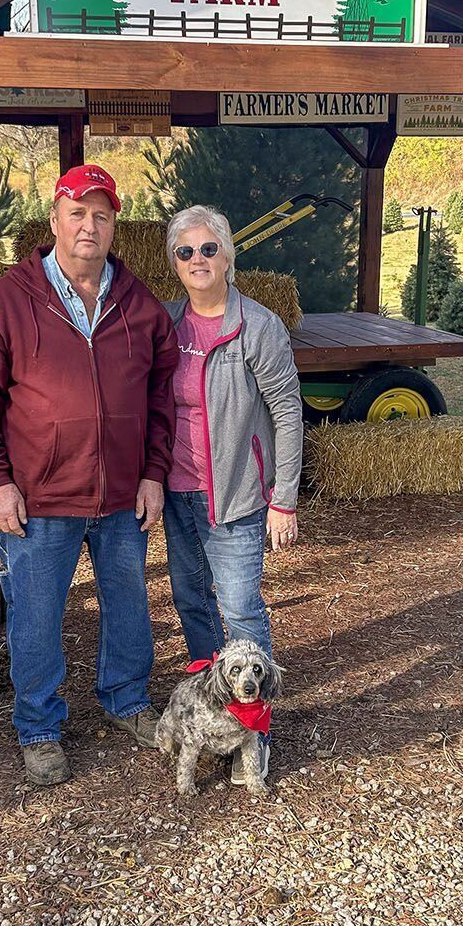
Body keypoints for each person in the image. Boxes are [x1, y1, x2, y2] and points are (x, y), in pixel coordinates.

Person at [0, 163, 178, 788]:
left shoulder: (141, 306)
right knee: (36, 614)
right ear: (54, 220)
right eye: (77, 213)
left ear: (115, 228)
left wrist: (153, 472)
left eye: (101, 215)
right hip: (39, 496)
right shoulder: (9, 299)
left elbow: (163, 398)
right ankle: (40, 726)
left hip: (120, 495)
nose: (89, 225)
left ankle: (128, 701)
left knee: (129, 605)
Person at [162, 205, 303, 778]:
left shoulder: (258, 326)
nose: (198, 259)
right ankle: (212, 713)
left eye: (208, 248)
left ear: (228, 255)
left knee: (240, 607)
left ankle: (256, 726)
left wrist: (284, 498)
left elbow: (288, 413)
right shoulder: (168, 324)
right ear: (174, 263)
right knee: (192, 601)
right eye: (185, 251)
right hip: (176, 491)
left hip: (238, 497)